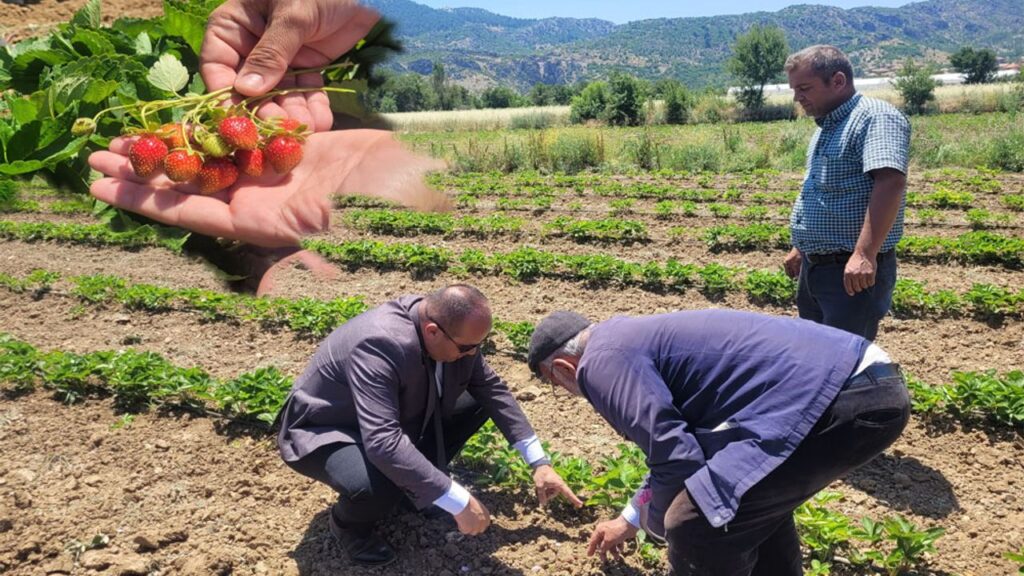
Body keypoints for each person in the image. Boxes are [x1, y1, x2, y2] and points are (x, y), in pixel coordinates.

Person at [527, 309, 910, 575]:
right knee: (739, 506)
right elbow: (681, 451)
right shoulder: (624, 341)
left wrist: (658, 524)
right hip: (861, 385)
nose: (565, 391)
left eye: (555, 384)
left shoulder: (600, 363)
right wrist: (630, 519)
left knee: (696, 526)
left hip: (837, 397)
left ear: (562, 368)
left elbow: (675, 459)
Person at [278, 285, 583, 566]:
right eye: (466, 348)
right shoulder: (379, 344)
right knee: (377, 485)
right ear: (433, 331)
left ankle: (417, 489)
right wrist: (458, 500)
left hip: (387, 420)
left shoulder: (449, 332)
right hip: (328, 429)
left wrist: (539, 463)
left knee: (476, 403)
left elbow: (492, 390)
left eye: (479, 346)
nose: (473, 354)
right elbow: (383, 444)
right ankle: (348, 526)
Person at [783, 45, 911, 340]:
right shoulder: (826, 127)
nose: (797, 97)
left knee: (844, 361)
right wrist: (802, 247)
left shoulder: (875, 118)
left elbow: (890, 183)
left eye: (804, 88)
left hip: (851, 272)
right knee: (816, 352)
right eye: (794, 89)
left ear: (838, 81)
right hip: (816, 269)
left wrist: (865, 254)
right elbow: (826, 191)